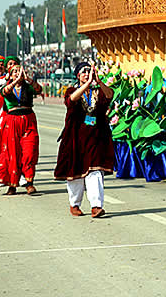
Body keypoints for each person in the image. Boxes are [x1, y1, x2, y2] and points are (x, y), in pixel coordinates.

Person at [54, 62, 114, 217]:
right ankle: (74, 203)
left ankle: (96, 206)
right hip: (75, 137)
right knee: (76, 172)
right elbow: (71, 100)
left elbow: (110, 95)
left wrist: (99, 82)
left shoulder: (98, 91)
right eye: (84, 72)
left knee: (95, 171)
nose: (87, 74)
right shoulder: (71, 90)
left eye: (89, 71)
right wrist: (87, 85)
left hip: (95, 137)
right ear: (78, 76)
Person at [0, 63, 41, 195]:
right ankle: (12, 184)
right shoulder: (5, 86)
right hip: (12, 121)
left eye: (20, 71)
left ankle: (29, 182)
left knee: (29, 152)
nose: (18, 73)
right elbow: (5, 91)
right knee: (13, 153)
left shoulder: (28, 87)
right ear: (10, 74)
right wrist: (14, 80)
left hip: (29, 121)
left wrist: (28, 79)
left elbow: (38, 90)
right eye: (15, 71)